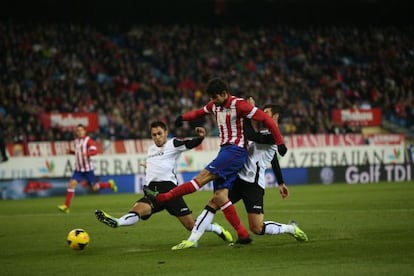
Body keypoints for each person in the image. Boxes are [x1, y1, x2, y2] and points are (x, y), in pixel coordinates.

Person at [144, 77, 287, 248]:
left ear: (224, 93)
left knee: (202, 177)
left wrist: (280, 143)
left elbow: (267, 120)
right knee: (220, 197)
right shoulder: (215, 105)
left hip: (235, 151)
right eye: (211, 98)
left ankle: (164, 197)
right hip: (225, 150)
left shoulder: (240, 105)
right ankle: (242, 234)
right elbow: (198, 113)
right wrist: (182, 117)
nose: (212, 102)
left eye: (215, 97)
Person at [171, 101, 308, 249]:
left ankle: (291, 229)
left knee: (257, 228)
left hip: (253, 184)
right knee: (215, 201)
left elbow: (251, 136)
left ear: (275, 116)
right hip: (238, 179)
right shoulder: (262, 132)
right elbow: (273, 158)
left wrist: (246, 113)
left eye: (266, 113)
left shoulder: (275, 135)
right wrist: (281, 182)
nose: (262, 116)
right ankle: (192, 240)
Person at [94, 121, 232, 243]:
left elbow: (189, 143)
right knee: (137, 210)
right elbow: (158, 164)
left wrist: (201, 137)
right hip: (152, 191)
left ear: (166, 132)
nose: (157, 137)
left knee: (191, 226)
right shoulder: (151, 149)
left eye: (159, 133)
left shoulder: (173, 143)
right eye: (154, 135)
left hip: (170, 191)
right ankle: (117, 222)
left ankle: (216, 228)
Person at [58, 124, 117, 213]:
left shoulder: (88, 140)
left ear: (85, 131)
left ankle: (109, 184)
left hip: (88, 170)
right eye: (78, 130)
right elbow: (78, 153)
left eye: (81, 130)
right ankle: (66, 206)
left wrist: (87, 154)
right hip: (78, 170)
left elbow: (95, 151)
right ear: (76, 132)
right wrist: (71, 152)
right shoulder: (76, 141)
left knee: (94, 188)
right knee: (71, 184)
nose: (80, 132)